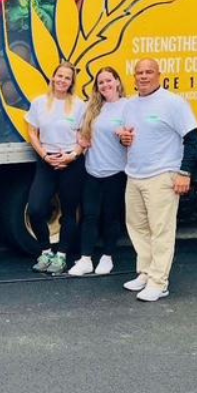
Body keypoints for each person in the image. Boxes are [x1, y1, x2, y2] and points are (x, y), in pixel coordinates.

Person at [117, 58, 197, 302]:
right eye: (139, 73)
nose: (143, 76)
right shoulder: (130, 105)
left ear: (159, 75)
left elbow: (193, 139)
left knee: (161, 231)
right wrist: (124, 139)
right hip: (134, 175)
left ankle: (159, 282)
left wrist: (184, 173)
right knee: (138, 227)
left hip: (162, 176)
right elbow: (130, 136)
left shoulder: (173, 103)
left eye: (148, 72)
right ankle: (145, 272)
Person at [25, 61, 88, 275]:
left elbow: (85, 137)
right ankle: (45, 251)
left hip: (71, 164)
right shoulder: (39, 103)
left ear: (72, 82)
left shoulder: (79, 105)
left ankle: (61, 256)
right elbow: (32, 132)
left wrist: (72, 156)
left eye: (67, 78)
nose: (62, 80)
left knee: (69, 212)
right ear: (53, 77)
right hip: (47, 161)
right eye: (59, 76)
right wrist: (44, 155)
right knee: (35, 208)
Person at [67, 66, 129, 277]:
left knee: (111, 217)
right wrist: (80, 140)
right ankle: (85, 259)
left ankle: (107, 256)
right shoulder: (92, 107)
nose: (105, 85)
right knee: (90, 216)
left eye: (109, 80)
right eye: (101, 82)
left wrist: (125, 136)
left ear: (118, 82)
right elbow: (77, 130)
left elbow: (136, 137)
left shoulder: (128, 107)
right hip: (92, 171)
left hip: (116, 172)